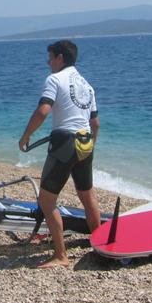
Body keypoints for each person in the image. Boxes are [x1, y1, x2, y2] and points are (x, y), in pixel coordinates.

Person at [18, 40, 102, 268]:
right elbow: (95, 123)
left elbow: (43, 110)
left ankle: (61, 256)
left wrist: (26, 136)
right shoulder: (87, 85)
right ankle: (101, 247)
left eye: (50, 57)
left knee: (47, 200)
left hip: (65, 142)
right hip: (85, 142)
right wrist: (90, 146)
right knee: (88, 196)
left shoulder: (55, 79)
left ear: (60, 58)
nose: (48, 61)